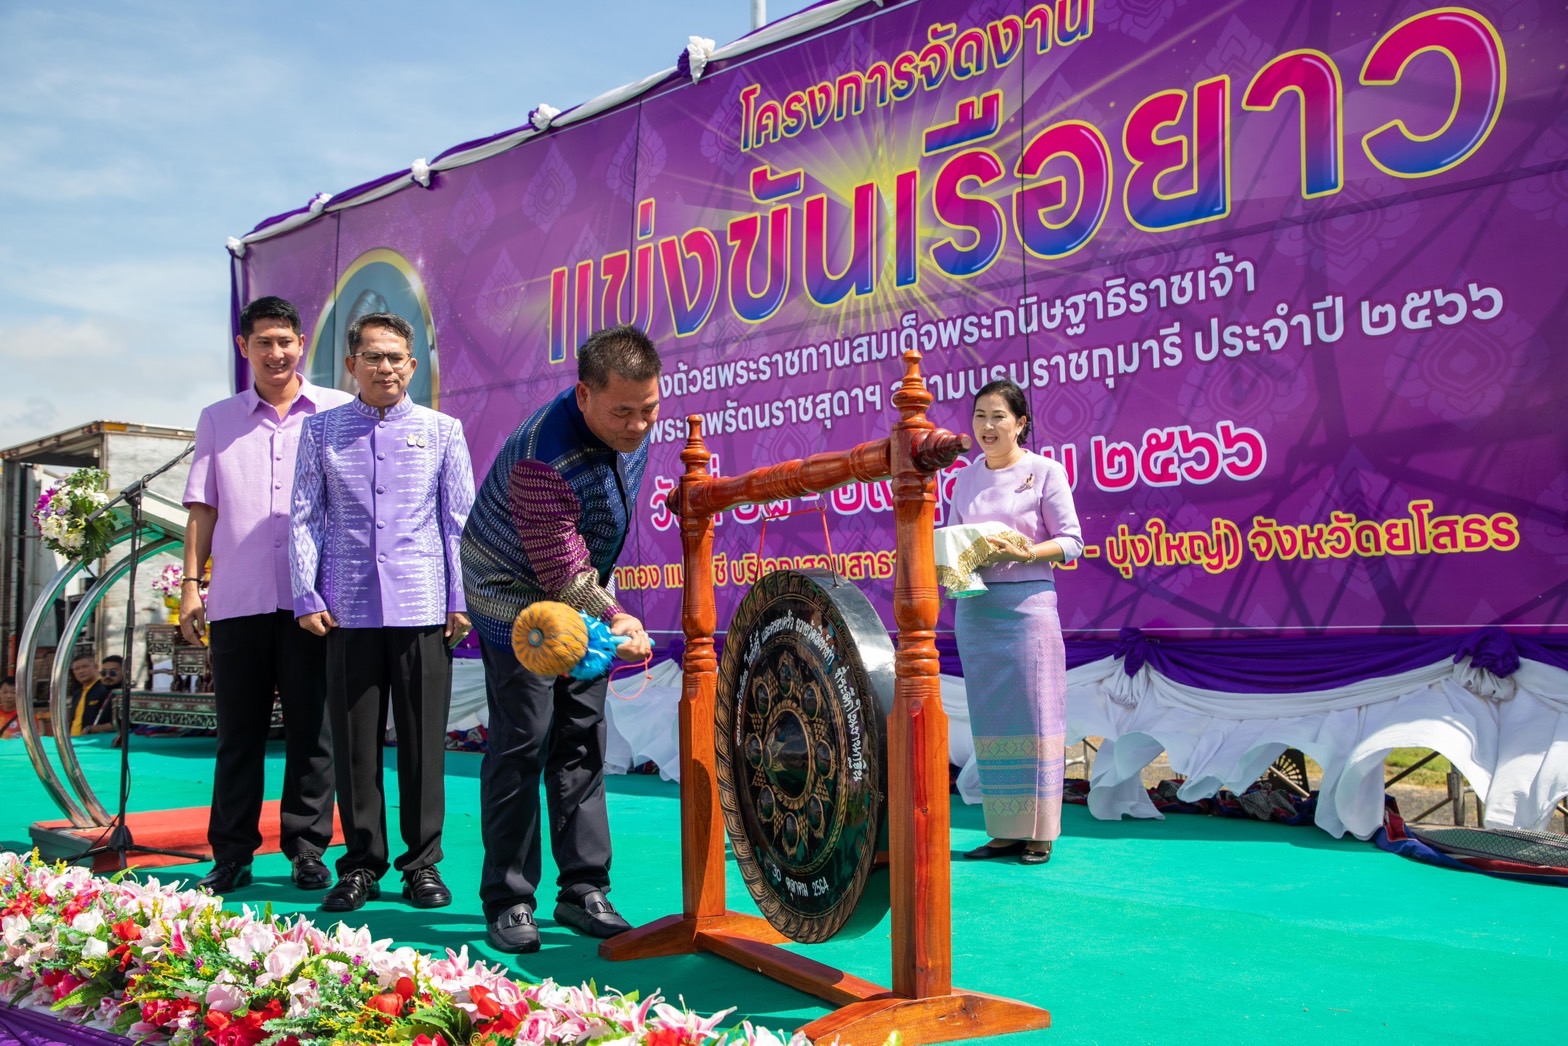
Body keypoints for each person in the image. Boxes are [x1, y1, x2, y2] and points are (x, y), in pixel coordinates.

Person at [461, 324, 658, 954]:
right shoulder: (543, 458)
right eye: (623, 412)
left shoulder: (630, 425)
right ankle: (508, 899)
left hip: (580, 594)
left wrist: (604, 615)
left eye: (649, 409)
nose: (638, 425)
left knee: (581, 737)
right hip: (515, 598)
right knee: (524, 740)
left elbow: (582, 566)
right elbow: (563, 571)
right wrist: (617, 620)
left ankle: (583, 889)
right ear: (584, 394)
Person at [291, 311, 475, 913]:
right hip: (348, 609)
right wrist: (306, 593)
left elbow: (459, 521)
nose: (385, 367)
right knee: (354, 748)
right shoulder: (321, 431)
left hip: (422, 606)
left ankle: (422, 865)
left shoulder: (442, 430)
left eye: (396, 357)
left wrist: (459, 598)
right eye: (372, 356)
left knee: (423, 745)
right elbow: (305, 516)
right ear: (352, 365)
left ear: (412, 365)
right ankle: (362, 865)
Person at [181, 295, 353, 896]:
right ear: (243, 348)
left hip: (315, 601)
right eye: (263, 343)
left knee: (314, 732)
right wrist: (191, 586)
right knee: (239, 735)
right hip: (238, 599)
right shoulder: (218, 419)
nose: (275, 353)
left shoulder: (339, 411)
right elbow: (203, 507)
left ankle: (308, 851)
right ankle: (231, 854)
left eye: (285, 341)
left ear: (301, 344)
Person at [947, 379, 1083, 865]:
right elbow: (953, 541)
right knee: (992, 720)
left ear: (1021, 423)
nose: (987, 426)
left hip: (1027, 609)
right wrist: (956, 560)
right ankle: (1004, 831)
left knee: (1036, 715)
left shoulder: (1044, 471)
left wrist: (1025, 552)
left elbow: (1071, 542)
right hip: (976, 610)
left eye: (998, 416)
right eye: (980, 416)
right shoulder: (964, 480)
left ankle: (1040, 833)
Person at [66, 652, 115, 736]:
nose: (81, 671)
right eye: (77, 669)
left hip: (95, 740)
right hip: (74, 740)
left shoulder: (106, 690)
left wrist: (92, 729)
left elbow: (115, 723)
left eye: (85, 666)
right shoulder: (77, 694)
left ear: (96, 667)